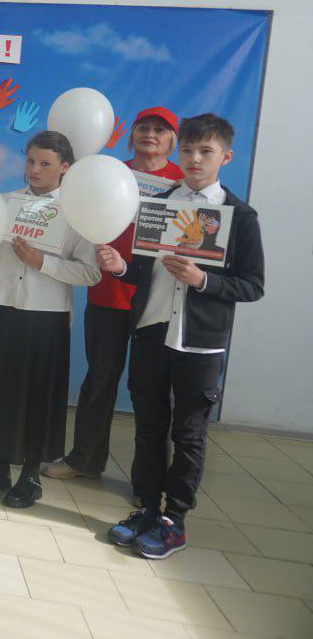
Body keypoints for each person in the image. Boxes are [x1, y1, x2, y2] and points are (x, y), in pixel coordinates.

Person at [102, 114, 264, 560]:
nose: (194, 159)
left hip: (200, 343)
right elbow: (142, 270)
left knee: (189, 434)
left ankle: (174, 520)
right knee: (148, 427)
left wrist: (202, 280)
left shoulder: (240, 216)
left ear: (225, 157)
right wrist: (119, 265)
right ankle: (146, 508)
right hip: (152, 332)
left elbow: (252, 285)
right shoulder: (159, 203)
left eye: (205, 151)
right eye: (188, 150)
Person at [45, 107, 183, 481]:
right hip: (107, 295)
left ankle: (150, 479)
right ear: (131, 135)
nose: (150, 134)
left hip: (157, 301)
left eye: (160, 130)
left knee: (152, 390)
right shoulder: (109, 173)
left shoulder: (182, 184)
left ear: (172, 140)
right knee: (100, 380)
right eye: (143, 128)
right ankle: (85, 460)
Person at [0, 131, 100, 509]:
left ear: (65, 167)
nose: (35, 169)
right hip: (8, 309)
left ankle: (30, 475)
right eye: (30, 161)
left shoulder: (75, 212)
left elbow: (90, 272)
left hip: (48, 318)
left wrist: (43, 262)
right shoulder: (8, 203)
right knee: (1, 392)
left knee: (39, 397)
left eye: (45, 163)